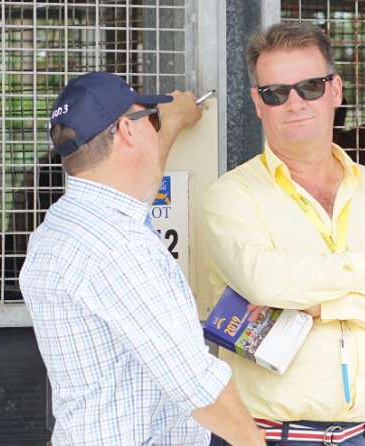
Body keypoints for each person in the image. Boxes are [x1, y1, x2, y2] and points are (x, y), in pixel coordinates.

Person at [200, 23, 365, 445]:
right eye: (276, 93)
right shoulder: (231, 196)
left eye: (310, 87)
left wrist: (322, 306)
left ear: (335, 91)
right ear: (258, 103)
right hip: (271, 437)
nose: (294, 103)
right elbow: (266, 283)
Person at [19, 72, 265, 446]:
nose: (155, 127)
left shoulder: (59, 227)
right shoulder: (120, 248)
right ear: (127, 131)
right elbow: (196, 384)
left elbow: (134, 195)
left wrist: (173, 123)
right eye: (150, 119)